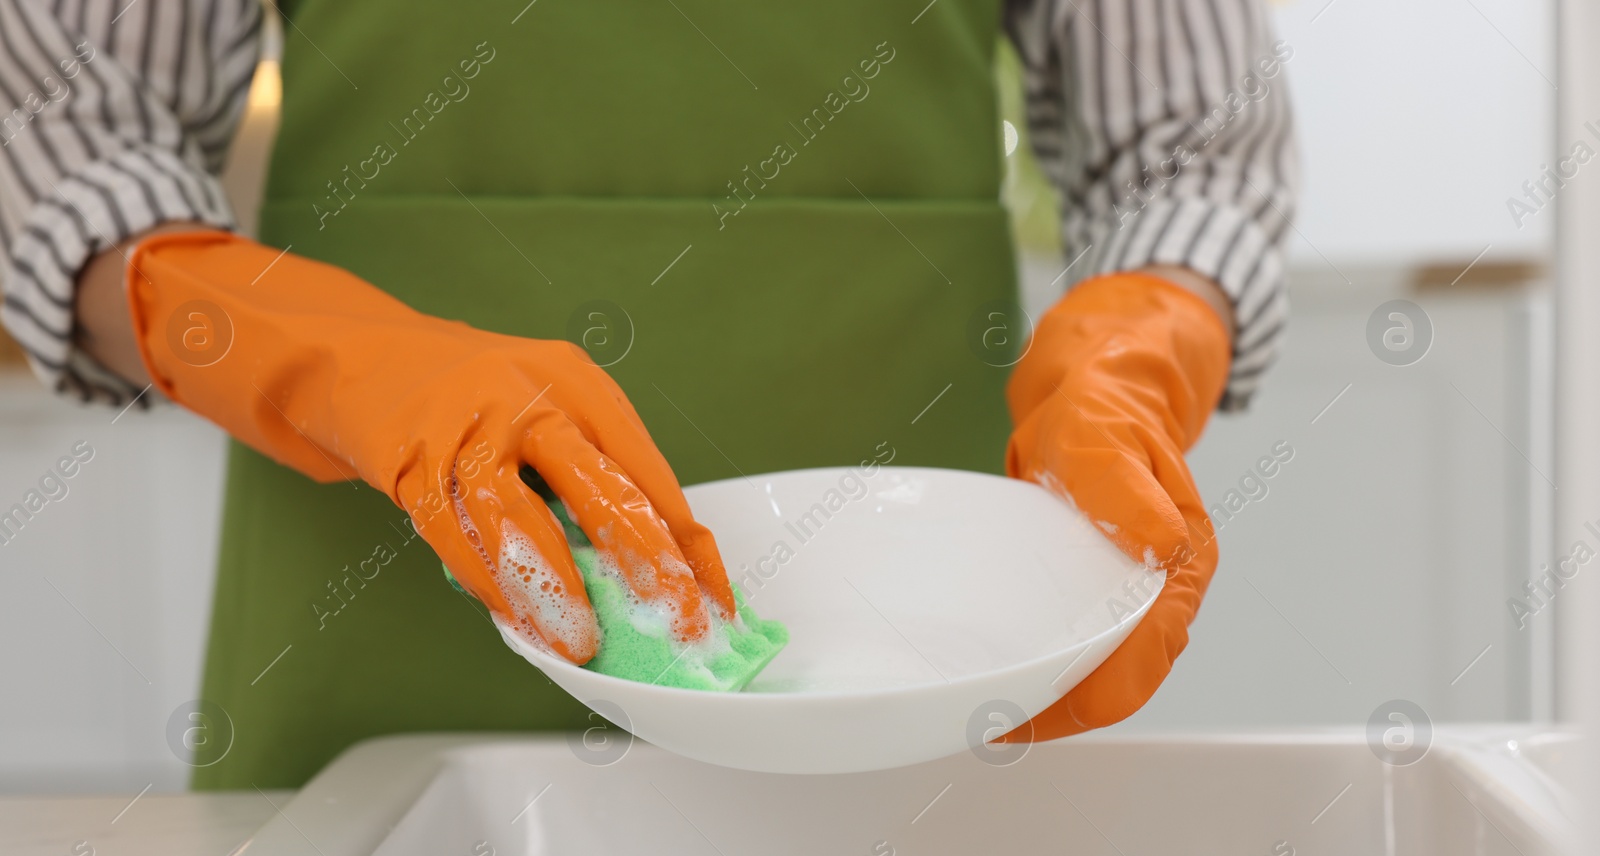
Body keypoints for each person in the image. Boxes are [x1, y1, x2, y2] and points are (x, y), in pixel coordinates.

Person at [0, 0, 1296, 788]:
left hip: (910, 636)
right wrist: (327, 358)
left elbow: (1195, 147)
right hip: (379, 611)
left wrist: (1137, 353)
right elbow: (65, 151)